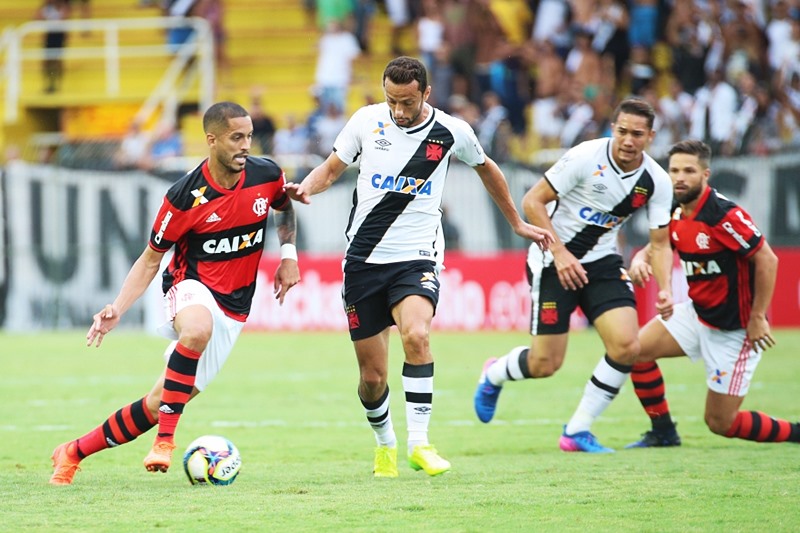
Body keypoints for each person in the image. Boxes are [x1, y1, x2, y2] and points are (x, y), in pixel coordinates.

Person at [284, 56, 553, 478]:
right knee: (373, 378)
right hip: (363, 261)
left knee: (417, 334)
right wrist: (307, 187)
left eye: (407, 102)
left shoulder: (451, 131)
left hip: (417, 257)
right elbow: (332, 168)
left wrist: (517, 222)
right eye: (392, 100)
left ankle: (419, 443)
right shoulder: (366, 122)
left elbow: (489, 169)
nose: (398, 111)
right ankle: (386, 444)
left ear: (426, 94)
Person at [49, 101, 301, 485]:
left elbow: (285, 207)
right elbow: (151, 259)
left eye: (249, 136)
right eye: (237, 137)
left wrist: (288, 255)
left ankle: (73, 452)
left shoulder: (266, 174)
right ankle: (166, 441)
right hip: (190, 285)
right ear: (212, 140)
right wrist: (118, 307)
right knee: (196, 330)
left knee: (157, 403)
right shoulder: (185, 196)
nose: (246, 145)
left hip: (235, 308)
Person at [473, 97, 675, 453]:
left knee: (628, 346)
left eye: (637, 134)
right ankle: (494, 373)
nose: (629, 140)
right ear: (613, 129)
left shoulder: (656, 181)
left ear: (651, 136)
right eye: (623, 131)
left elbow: (660, 243)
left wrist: (666, 289)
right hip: (553, 262)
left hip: (602, 264)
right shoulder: (585, 157)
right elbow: (533, 201)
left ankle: (577, 430)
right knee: (545, 363)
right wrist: (560, 253)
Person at [625, 139, 800, 448]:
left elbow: (767, 259)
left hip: (734, 328)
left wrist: (758, 316)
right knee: (635, 352)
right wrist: (640, 258)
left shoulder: (723, 215)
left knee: (721, 422)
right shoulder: (675, 209)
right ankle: (664, 431)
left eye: (688, 171)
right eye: (674, 170)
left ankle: (798, 433)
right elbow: (659, 244)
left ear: (706, 174)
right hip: (698, 313)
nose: (679, 177)